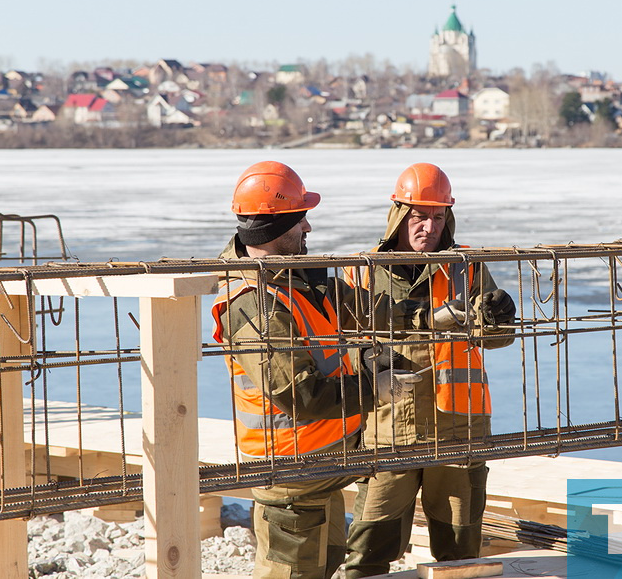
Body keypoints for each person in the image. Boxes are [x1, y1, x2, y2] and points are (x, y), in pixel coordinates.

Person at [210, 161, 422, 579]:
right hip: (290, 473)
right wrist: (372, 387)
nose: (308, 229)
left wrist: (438, 315)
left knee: (324, 567)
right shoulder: (253, 302)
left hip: (322, 467)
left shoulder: (301, 278)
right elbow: (299, 394)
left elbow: (372, 312)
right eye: (299, 220)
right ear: (272, 228)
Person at [343, 162, 517, 578]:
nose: (429, 227)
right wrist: (361, 359)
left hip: (457, 430)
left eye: (438, 217)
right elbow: (339, 343)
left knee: (460, 558)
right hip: (387, 431)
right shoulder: (361, 271)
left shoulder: (466, 266)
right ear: (398, 217)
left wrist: (499, 319)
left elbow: (496, 337)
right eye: (419, 217)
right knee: (367, 553)